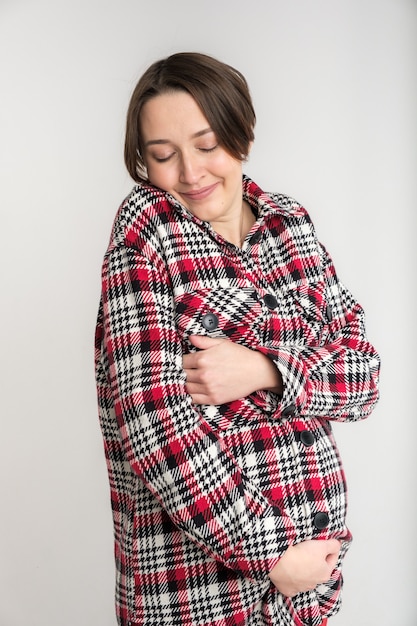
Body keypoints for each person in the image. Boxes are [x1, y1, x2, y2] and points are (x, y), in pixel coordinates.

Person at [94, 52, 380, 626]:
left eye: (206, 145)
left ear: (240, 132)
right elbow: (157, 432)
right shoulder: (145, 233)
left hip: (307, 591)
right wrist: (270, 556)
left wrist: (267, 369)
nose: (191, 173)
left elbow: (365, 377)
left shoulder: (289, 223)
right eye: (163, 155)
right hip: (196, 592)